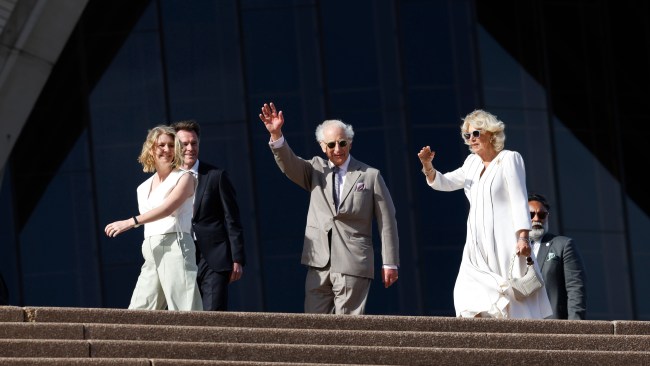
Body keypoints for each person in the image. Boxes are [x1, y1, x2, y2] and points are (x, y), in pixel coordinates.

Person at [259, 102, 400, 315]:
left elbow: (387, 221)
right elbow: (289, 164)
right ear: (322, 146)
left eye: (342, 143)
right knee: (314, 325)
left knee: (347, 327)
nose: (337, 150)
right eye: (331, 144)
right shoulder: (315, 169)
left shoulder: (370, 175)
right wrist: (277, 134)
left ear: (350, 144)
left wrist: (390, 263)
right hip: (319, 262)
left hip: (353, 261)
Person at [417, 109, 552, 319]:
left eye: (476, 134)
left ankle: (515, 336)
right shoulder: (471, 163)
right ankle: (482, 337)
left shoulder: (509, 159)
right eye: (467, 135)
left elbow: (519, 199)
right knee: (466, 291)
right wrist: (428, 165)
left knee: (510, 291)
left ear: (491, 133)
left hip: (504, 240)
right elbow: (444, 182)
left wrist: (523, 237)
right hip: (476, 242)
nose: (471, 139)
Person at [105, 125, 202, 311]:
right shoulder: (143, 187)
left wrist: (130, 222)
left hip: (175, 244)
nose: (167, 150)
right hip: (151, 248)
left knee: (185, 307)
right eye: (161, 145)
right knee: (140, 308)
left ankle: (199, 340)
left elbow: (167, 209)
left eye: (171, 145)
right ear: (151, 149)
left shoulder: (185, 178)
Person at [171, 120, 246, 311]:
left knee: (213, 314)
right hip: (181, 255)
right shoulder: (168, 179)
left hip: (214, 257)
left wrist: (237, 258)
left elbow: (232, 219)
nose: (190, 148)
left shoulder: (215, 175)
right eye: (184, 144)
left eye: (193, 143)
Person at [528, 193, 587, 319]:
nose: (536, 219)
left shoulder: (563, 245)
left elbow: (575, 288)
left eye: (542, 215)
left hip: (552, 325)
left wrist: (576, 327)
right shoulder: (511, 247)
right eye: (531, 214)